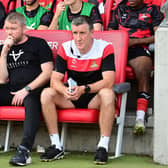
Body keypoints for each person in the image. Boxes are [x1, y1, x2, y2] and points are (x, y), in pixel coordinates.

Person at [40, 16, 115, 164]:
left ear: (92, 32)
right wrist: (64, 91)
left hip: (93, 96)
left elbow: (108, 81)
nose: (78, 38)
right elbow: (54, 80)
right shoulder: (66, 47)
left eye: (82, 33)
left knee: (108, 93)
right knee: (47, 93)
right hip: (72, 96)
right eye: (75, 33)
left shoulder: (105, 47)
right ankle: (56, 145)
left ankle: (103, 147)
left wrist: (85, 89)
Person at [0, 12, 53, 166]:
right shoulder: (4, 48)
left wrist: (27, 89)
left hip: (34, 89)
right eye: (7, 28)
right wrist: (3, 54)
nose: (9, 32)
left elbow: (48, 72)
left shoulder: (38, 44)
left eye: (13, 28)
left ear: (24, 28)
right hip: (12, 90)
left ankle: (24, 150)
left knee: (31, 100)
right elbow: (2, 79)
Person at [108, 0, 163, 135]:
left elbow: (160, 36)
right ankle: (111, 110)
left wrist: (136, 41)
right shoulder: (120, 9)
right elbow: (110, 31)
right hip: (119, 47)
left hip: (139, 47)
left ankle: (140, 117)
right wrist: (121, 42)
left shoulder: (153, 10)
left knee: (143, 68)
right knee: (105, 69)